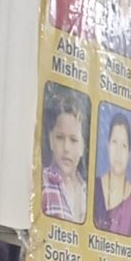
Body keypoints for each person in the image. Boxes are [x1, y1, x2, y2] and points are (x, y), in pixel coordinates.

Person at [41, 86, 88, 222]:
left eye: (73, 140)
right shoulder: (42, 183)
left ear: (82, 146)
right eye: (60, 137)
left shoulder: (88, 194)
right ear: (51, 140)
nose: (66, 148)